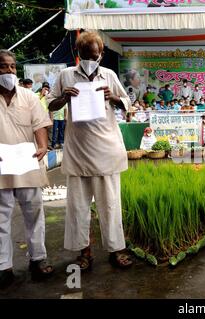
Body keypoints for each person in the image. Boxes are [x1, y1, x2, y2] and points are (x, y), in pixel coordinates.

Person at [47, 31, 133, 271]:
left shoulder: (109, 75)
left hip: (106, 150)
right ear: (77, 53)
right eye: (85, 55)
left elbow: (128, 104)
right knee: (78, 206)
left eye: (94, 55)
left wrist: (113, 97)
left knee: (110, 204)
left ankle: (117, 250)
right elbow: (50, 104)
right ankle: (84, 252)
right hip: (78, 150)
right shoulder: (66, 75)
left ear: (101, 54)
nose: (89, 59)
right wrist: (64, 98)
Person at [0, 50, 54, 288]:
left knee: (34, 213)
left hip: (27, 162)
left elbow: (40, 124)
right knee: (1, 218)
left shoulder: (29, 97)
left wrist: (42, 146)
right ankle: (3, 266)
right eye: (4, 67)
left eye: (13, 67)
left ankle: (38, 259)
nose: (10, 71)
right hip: (1, 166)